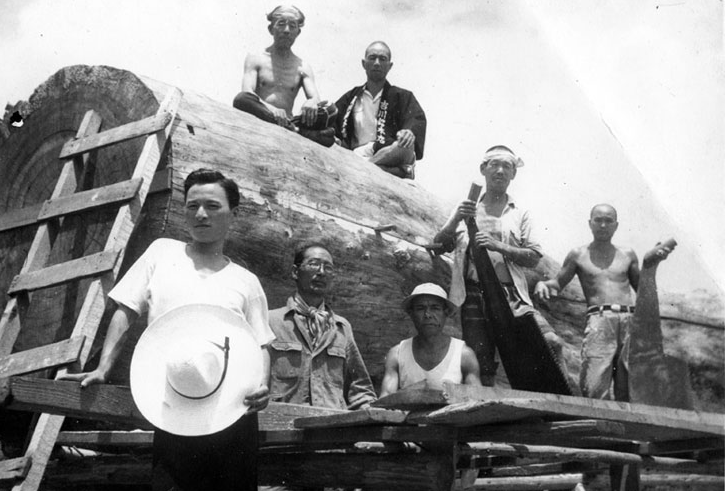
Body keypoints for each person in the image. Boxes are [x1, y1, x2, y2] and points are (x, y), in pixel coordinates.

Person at [59, 169, 275, 491]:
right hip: (175, 404)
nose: (200, 214)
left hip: (233, 413)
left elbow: (261, 343)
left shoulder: (245, 280)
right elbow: (125, 310)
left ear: (234, 214)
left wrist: (261, 384)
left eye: (213, 206)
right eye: (192, 205)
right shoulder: (162, 253)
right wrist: (104, 367)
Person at [432, 145, 566, 387]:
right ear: (483, 169)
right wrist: (455, 220)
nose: (501, 171)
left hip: (512, 295)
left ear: (514, 174)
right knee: (480, 363)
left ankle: (563, 401)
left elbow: (534, 256)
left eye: (508, 166)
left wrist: (498, 246)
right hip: (474, 293)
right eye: (495, 165)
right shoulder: (466, 207)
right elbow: (438, 245)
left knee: (550, 342)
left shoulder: (520, 213)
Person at [534, 204, 673, 400]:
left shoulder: (627, 254)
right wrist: (543, 284)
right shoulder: (578, 254)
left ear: (616, 225)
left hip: (629, 321)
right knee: (595, 385)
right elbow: (557, 282)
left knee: (631, 384)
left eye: (608, 221)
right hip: (599, 321)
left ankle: (629, 428)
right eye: (598, 220)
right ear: (590, 223)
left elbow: (643, 292)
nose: (603, 225)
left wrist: (651, 265)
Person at [268, 242, 377, 410]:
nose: (321, 272)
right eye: (314, 264)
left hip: (330, 430)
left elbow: (360, 387)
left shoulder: (341, 328)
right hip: (281, 426)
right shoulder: (271, 321)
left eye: (328, 268)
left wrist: (367, 408)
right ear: (295, 272)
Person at [233, 5, 337, 147]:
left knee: (330, 109)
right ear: (271, 29)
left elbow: (315, 97)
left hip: (289, 120)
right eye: (281, 24)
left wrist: (311, 103)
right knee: (241, 99)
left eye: (292, 26)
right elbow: (247, 91)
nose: (287, 30)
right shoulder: (255, 58)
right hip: (259, 117)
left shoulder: (303, 66)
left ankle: (294, 128)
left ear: (298, 32)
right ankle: (298, 132)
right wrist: (272, 110)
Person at [332, 41, 427, 179]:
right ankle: (395, 171)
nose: (377, 63)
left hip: (388, 153)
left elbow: (416, 120)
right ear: (363, 64)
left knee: (406, 147)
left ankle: (365, 168)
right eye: (372, 58)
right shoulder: (351, 97)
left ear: (390, 66)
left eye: (382, 59)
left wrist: (409, 132)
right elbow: (333, 123)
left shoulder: (403, 96)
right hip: (356, 155)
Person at [380, 283, 481, 396]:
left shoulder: (464, 355)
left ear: (445, 313)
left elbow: (476, 401)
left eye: (435, 308)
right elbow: (386, 398)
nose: (428, 315)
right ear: (411, 314)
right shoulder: (397, 354)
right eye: (420, 308)